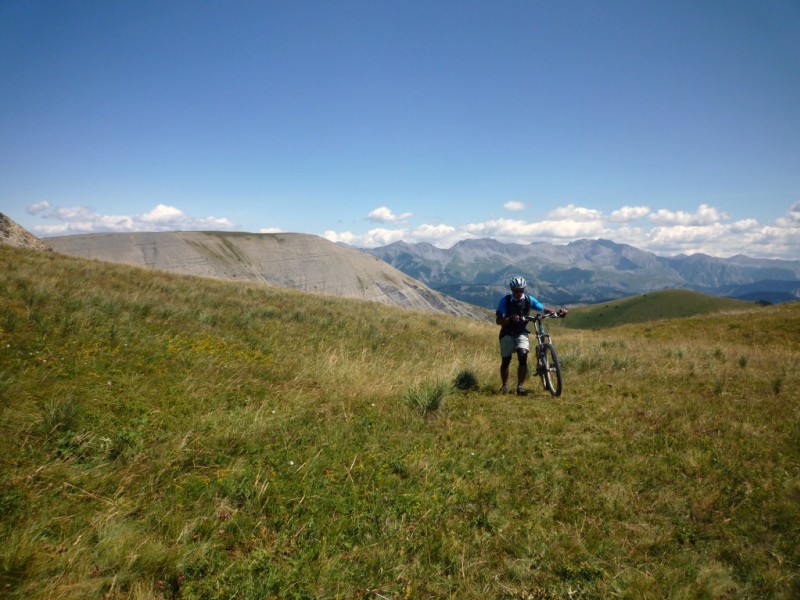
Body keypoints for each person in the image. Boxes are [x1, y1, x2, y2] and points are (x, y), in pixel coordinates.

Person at [495, 276, 567, 395]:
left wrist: (558, 313)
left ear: (524, 289)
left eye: (521, 290)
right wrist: (509, 319)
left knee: (523, 356)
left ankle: (520, 386)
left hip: (521, 332)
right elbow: (498, 320)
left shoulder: (528, 300)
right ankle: (504, 386)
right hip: (507, 333)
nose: (518, 293)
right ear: (512, 290)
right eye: (516, 291)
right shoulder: (506, 300)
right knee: (506, 361)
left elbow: (543, 309)